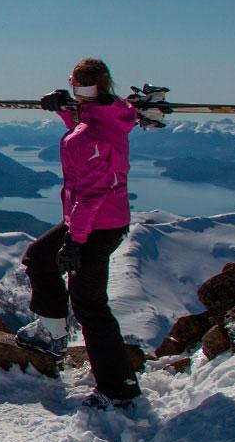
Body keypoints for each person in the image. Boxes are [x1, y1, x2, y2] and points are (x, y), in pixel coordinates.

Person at [17, 57, 142, 407]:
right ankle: (52, 331)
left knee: (89, 306)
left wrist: (75, 240)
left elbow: (91, 192)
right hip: (106, 218)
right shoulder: (114, 115)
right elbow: (91, 124)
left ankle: (118, 390)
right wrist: (64, 111)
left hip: (94, 224)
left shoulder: (85, 137)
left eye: (77, 89)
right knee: (40, 256)